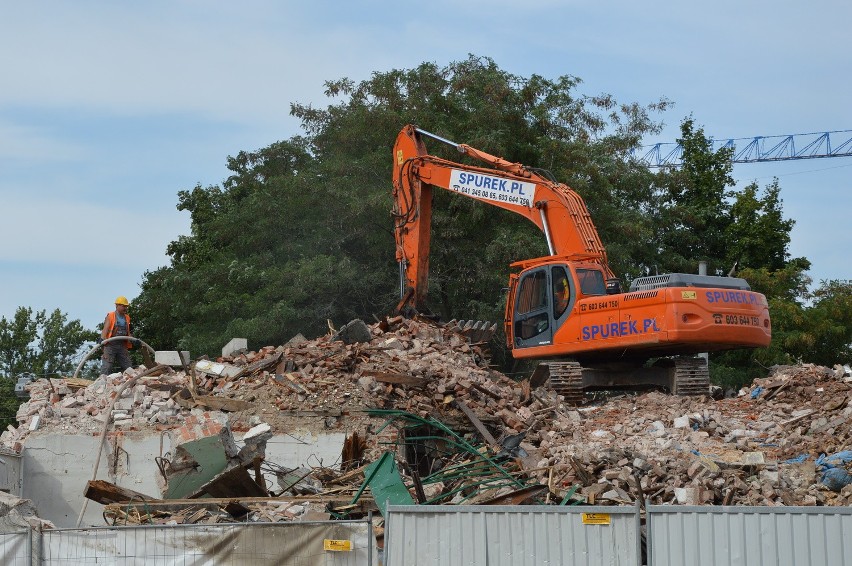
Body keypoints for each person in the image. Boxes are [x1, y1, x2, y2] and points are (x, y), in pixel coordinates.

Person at [99, 296, 139, 375]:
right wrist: (102, 339)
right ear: (117, 305)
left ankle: (131, 383)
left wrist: (134, 340)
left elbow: (128, 332)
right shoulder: (110, 316)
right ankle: (102, 384)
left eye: (126, 306)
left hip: (121, 345)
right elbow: (105, 329)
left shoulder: (127, 318)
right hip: (110, 345)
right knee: (107, 367)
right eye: (123, 306)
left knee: (128, 367)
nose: (125, 308)